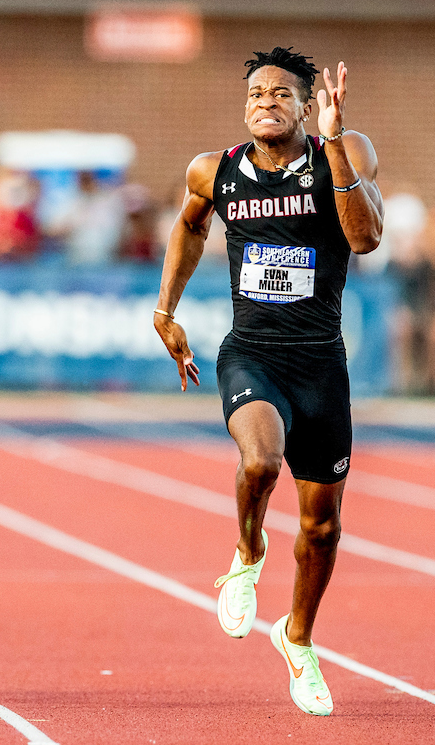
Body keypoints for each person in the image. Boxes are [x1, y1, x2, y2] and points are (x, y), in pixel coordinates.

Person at [154, 47, 382, 716]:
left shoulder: (345, 152)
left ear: (307, 107)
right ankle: (248, 549)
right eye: (256, 93)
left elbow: (365, 238)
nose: (266, 103)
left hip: (321, 364)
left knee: (322, 528)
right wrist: (166, 310)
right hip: (251, 353)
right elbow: (188, 228)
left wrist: (334, 144)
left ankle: (298, 638)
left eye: (282, 94)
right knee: (260, 460)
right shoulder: (214, 171)